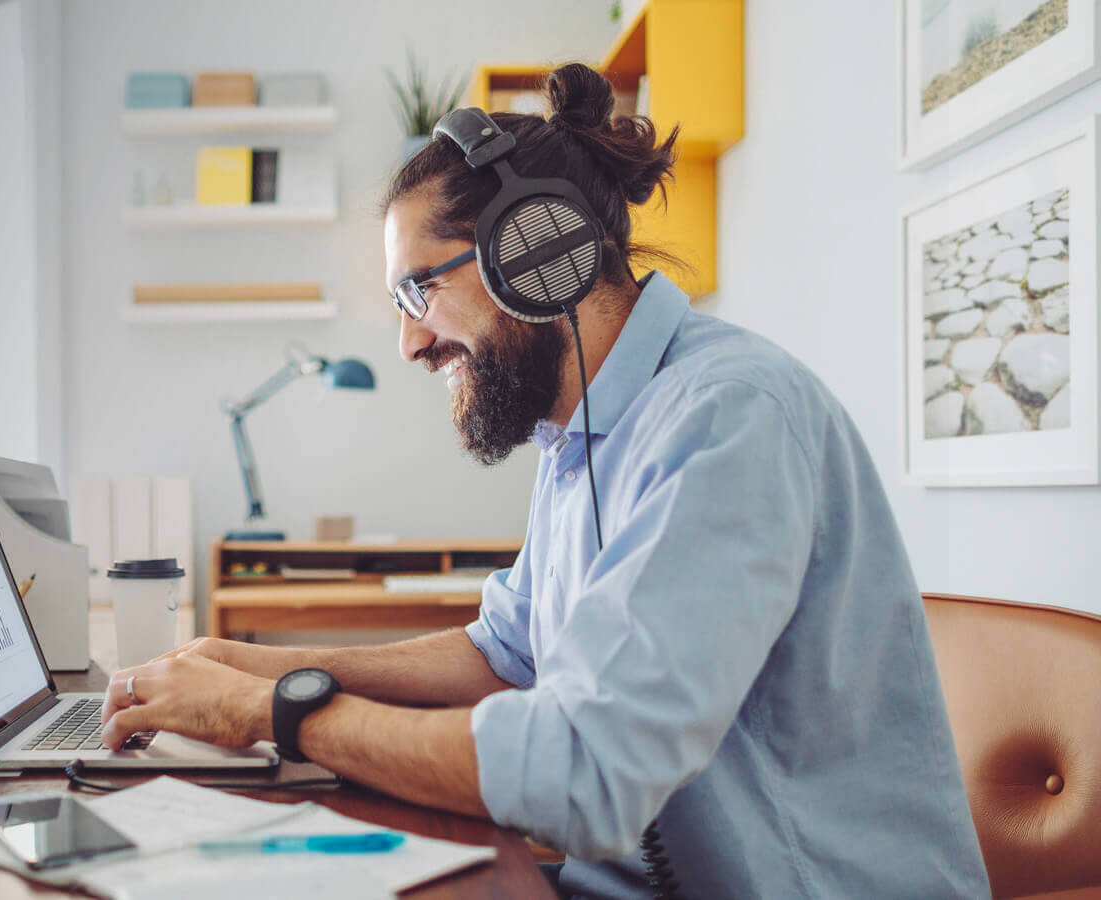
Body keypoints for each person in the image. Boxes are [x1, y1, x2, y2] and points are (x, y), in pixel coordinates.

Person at [97, 63, 989, 898]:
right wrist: (262, 663)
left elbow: (587, 774)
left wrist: (274, 709)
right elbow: (507, 655)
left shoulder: (729, 417)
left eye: (418, 292)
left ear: (533, 252)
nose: (410, 342)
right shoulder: (580, 430)